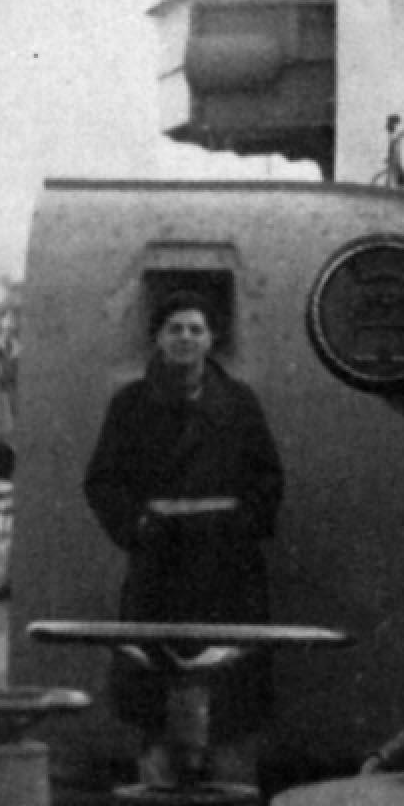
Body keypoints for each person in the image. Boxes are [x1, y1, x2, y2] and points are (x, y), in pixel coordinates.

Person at [83, 289, 284, 776]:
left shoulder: (239, 403)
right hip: (159, 569)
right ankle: (159, 794)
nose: (186, 338)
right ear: (158, 338)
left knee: (232, 686)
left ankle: (233, 798)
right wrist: (139, 525)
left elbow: (268, 477)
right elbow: (102, 481)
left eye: (196, 329)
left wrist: (239, 527)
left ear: (211, 339)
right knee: (154, 685)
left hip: (226, 570)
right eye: (175, 329)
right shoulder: (130, 405)